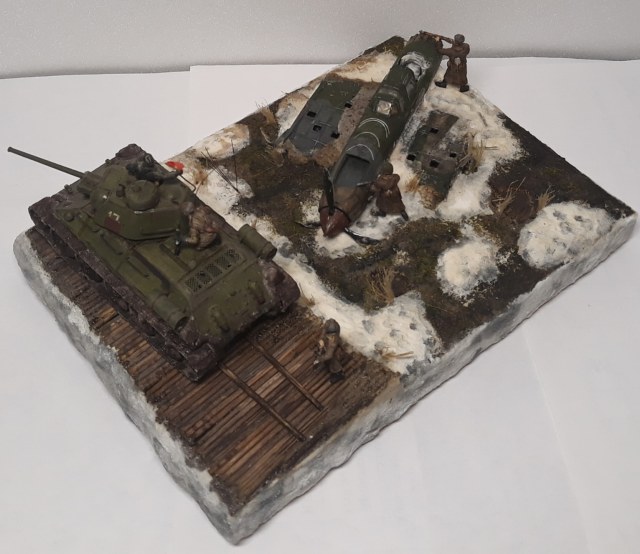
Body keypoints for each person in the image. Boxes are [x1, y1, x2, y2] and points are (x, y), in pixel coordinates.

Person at [314, 318, 345, 383]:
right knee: (325, 348)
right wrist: (321, 339)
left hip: (333, 349)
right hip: (331, 341)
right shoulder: (328, 324)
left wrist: (318, 359)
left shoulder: (333, 342)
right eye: (329, 336)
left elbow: (329, 355)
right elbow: (324, 331)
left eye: (332, 336)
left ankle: (338, 373)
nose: (331, 337)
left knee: (331, 357)